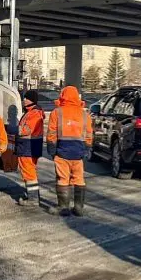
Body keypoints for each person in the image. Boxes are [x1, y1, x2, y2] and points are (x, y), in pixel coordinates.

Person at [46, 86, 93, 217]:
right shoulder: (85, 114)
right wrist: (86, 149)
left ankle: (63, 207)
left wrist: (52, 150)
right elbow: (89, 135)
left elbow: (51, 133)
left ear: (63, 96)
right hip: (78, 153)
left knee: (63, 178)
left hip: (62, 152)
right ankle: (78, 207)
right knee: (79, 179)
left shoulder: (57, 112)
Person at [16, 90, 45, 207]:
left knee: (29, 173)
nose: (24, 100)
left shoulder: (33, 113)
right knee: (30, 172)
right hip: (30, 146)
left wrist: (13, 129)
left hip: (27, 147)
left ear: (31, 100)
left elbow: (26, 130)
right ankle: (34, 196)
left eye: (26, 98)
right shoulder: (32, 112)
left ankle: (33, 199)